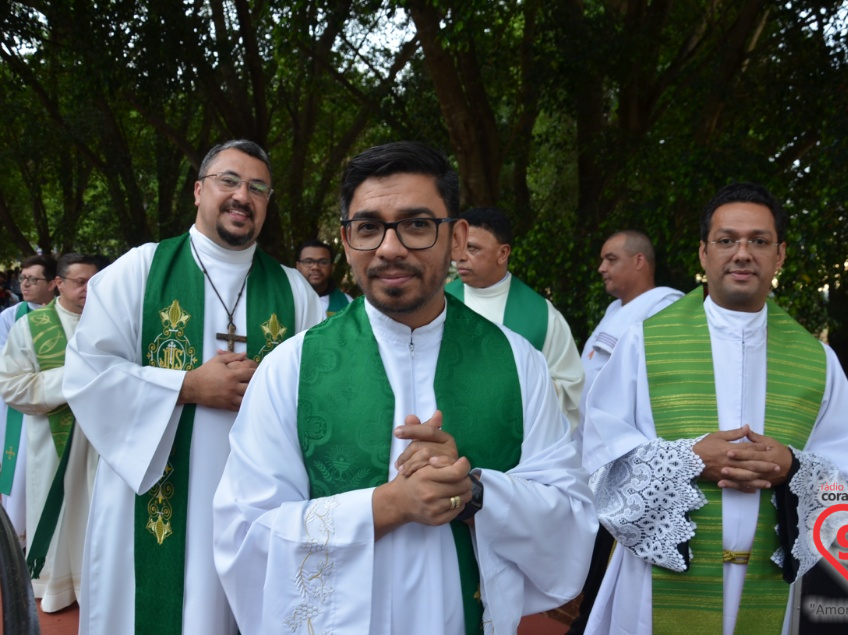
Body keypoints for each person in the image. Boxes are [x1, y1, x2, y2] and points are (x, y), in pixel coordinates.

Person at [212, 141, 596, 634]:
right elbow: (245, 536)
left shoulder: (519, 363)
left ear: (456, 239)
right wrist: (388, 505)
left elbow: (571, 518)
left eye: (416, 225)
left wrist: (475, 493)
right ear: (348, 242)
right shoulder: (291, 367)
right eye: (368, 228)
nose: (390, 248)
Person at [581, 182, 848, 634]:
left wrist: (793, 468)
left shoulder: (817, 360)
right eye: (726, 240)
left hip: (767, 586)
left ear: (780, 255)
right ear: (703, 253)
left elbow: (845, 487)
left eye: (759, 241)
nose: (742, 253)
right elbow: (601, 458)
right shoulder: (644, 343)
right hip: (655, 587)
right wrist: (689, 459)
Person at [62, 139, 325, 635]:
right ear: (199, 191)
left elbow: (323, 393)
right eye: (229, 181)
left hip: (260, 504)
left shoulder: (295, 292)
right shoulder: (139, 271)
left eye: (257, 188)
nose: (242, 196)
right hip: (157, 500)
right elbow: (86, 373)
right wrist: (185, 385)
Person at [566, 231, 683, 635]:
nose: (601, 267)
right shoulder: (617, 309)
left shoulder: (665, 310)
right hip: (592, 463)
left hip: (627, 469)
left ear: (639, 262)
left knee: (605, 577)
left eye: (611, 258)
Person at [0, 253, 101, 612]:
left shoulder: (112, 322)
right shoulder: (31, 327)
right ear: (58, 283)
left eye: (95, 281)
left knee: (98, 514)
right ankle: (58, 586)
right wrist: (72, 380)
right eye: (80, 282)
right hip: (51, 442)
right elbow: (10, 386)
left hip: (102, 444)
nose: (89, 289)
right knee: (59, 516)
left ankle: (98, 583)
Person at [447, 207, 584, 427]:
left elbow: (569, 388)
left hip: (515, 441)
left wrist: (513, 390)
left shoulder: (542, 315)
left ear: (502, 253)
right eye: (459, 247)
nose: (460, 257)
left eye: (472, 248)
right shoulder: (440, 303)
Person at [0, 254, 58, 548]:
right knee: (21, 468)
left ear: (53, 283)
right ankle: (17, 540)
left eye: (33, 279)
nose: (25, 284)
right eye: (23, 278)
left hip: (57, 406)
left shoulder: (66, 314)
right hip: (19, 410)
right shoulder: (10, 317)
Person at [295, 238, 353, 315]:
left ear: (332, 267)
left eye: (323, 262)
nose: (315, 267)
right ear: (298, 266)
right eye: (308, 262)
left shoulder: (348, 303)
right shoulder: (287, 299)